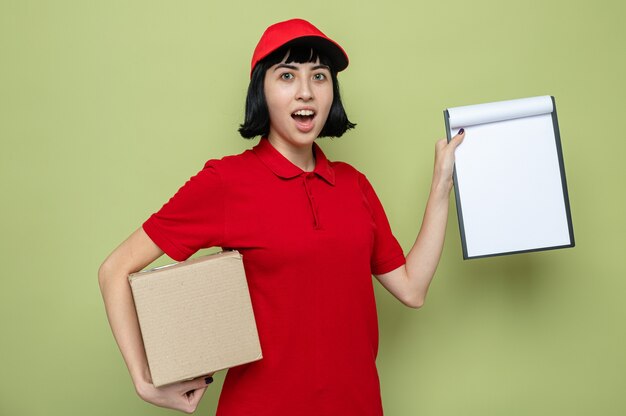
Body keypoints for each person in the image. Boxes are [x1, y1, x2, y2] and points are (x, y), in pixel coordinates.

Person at [98, 18, 464, 415]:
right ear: (262, 90)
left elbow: (412, 289)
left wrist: (440, 186)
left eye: (319, 77)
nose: (305, 92)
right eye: (287, 75)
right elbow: (115, 269)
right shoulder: (226, 181)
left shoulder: (353, 185)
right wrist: (143, 379)